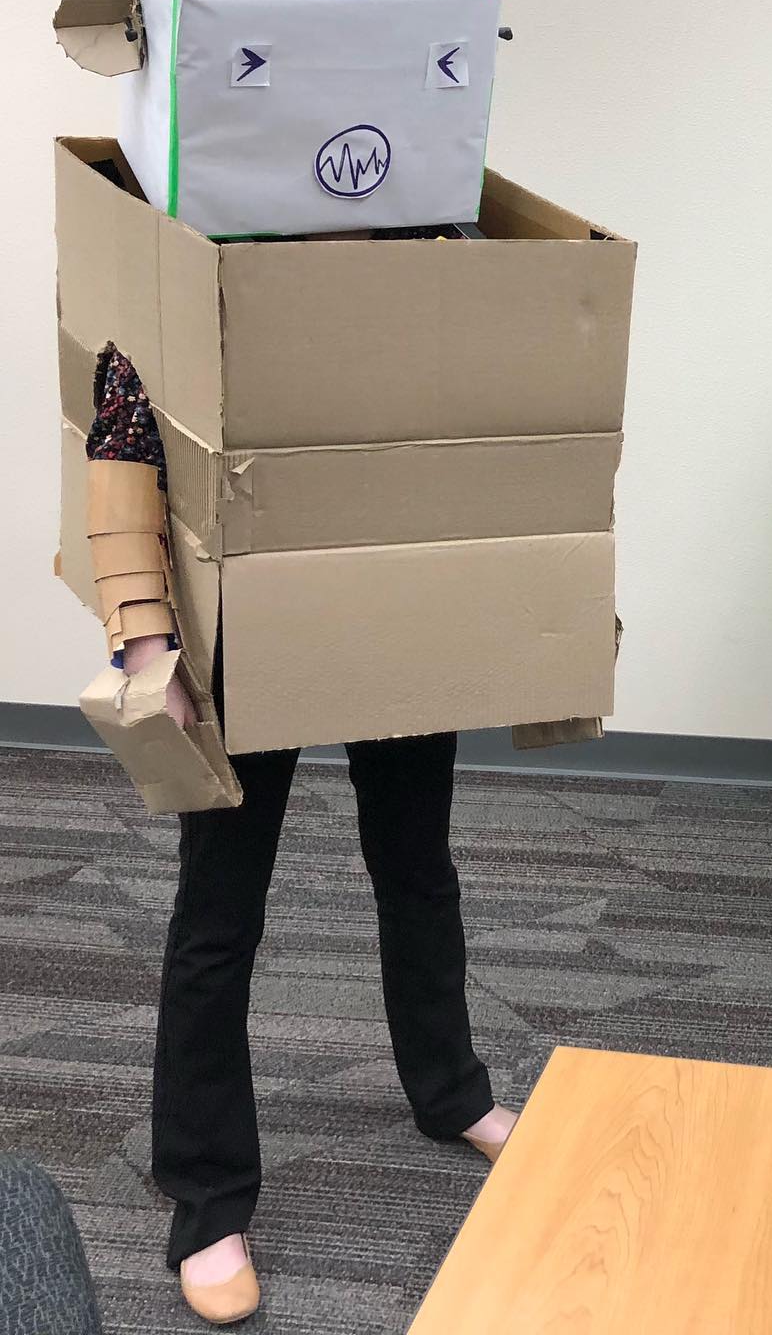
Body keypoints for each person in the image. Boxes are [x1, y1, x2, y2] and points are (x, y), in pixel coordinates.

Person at [84, 347, 518, 1325]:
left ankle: (450, 1090)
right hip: (246, 600)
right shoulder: (189, 214)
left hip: (389, 594)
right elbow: (126, 418)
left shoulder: (417, 224)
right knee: (221, 909)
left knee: (418, 867)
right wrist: (150, 641)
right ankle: (204, 1199)